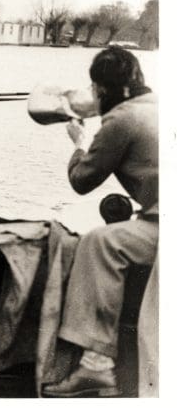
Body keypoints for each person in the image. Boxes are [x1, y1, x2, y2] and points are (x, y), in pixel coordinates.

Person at [43, 48, 158, 397]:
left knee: (99, 243)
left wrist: (79, 143)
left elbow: (82, 180)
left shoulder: (122, 119)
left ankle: (96, 365)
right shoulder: (156, 105)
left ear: (102, 89)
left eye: (95, 88)